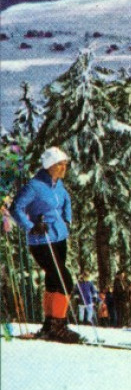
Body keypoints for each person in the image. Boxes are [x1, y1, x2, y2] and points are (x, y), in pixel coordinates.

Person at [9, 146, 82, 343]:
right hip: (41, 240)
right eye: (60, 164)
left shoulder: (58, 184)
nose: (64, 167)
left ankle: (50, 324)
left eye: (65, 164)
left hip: (59, 237)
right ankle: (58, 324)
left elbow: (66, 200)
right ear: (49, 165)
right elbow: (15, 207)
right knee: (63, 279)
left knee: (52, 279)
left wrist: (66, 220)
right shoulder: (34, 186)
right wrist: (30, 226)